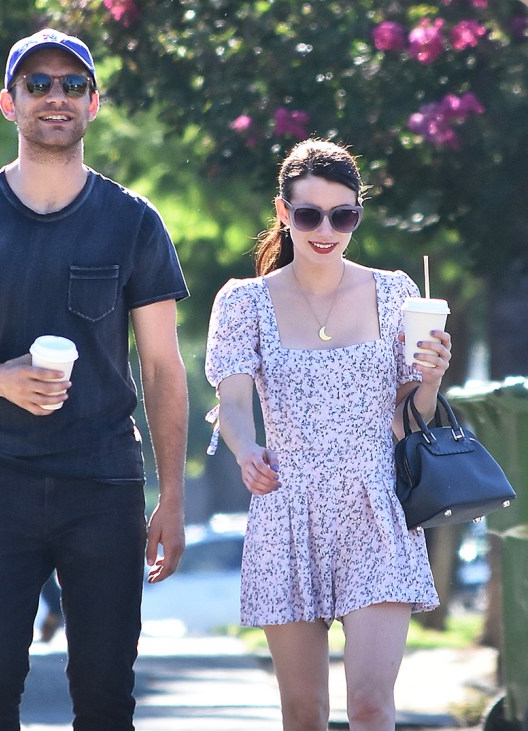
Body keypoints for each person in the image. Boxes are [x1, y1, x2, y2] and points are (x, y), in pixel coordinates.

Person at [0, 28, 188, 731]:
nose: (56, 97)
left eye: (72, 85)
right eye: (39, 84)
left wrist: (171, 496)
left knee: (106, 693)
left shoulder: (134, 222)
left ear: (94, 103)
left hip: (104, 482)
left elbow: (163, 368)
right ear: (9, 102)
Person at [205, 138, 451, 731]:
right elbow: (233, 404)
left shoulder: (394, 293)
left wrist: (432, 377)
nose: (326, 229)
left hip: (377, 506)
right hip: (286, 503)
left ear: (356, 216)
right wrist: (246, 451)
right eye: (310, 214)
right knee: (304, 713)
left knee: (371, 707)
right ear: (284, 213)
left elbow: (408, 416)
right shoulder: (244, 303)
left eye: (343, 215)